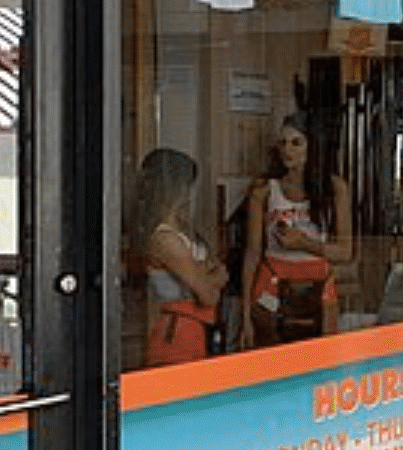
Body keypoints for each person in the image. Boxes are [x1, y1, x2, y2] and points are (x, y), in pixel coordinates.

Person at [242, 114, 351, 346]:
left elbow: (344, 251)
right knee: (273, 365)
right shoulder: (264, 190)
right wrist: (244, 315)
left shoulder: (335, 188)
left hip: (319, 288)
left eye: (296, 142)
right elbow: (252, 254)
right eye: (282, 143)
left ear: (313, 146)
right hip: (272, 284)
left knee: (320, 365)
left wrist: (304, 243)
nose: (287, 150)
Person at [134, 148, 227, 366]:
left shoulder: (184, 231)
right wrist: (216, 277)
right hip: (177, 333)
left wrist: (205, 275)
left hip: (195, 328)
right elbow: (207, 295)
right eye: (185, 185)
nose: (188, 193)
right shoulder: (165, 238)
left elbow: (208, 271)